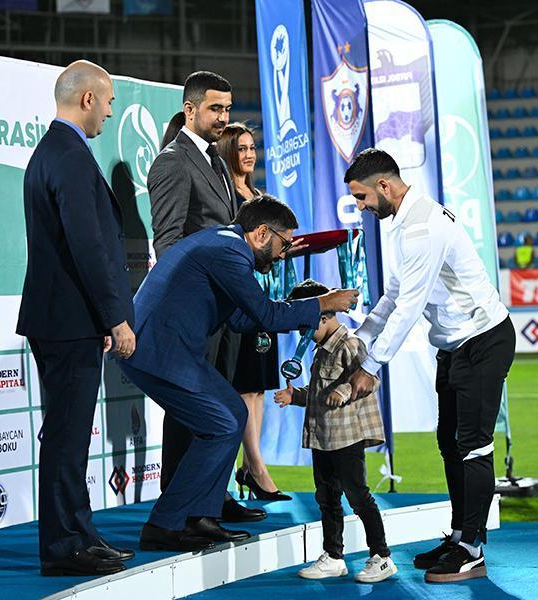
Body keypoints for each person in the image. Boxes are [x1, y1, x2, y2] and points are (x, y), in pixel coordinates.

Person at [119, 196, 359, 551]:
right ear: (262, 233)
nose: (283, 255)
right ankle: (165, 524)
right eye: (284, 244)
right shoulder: (230, 253)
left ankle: (200, 515)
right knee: (224, 422)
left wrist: (294, 313)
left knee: (231, 413)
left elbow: (242, 318)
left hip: (166, 347)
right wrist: (323, 303)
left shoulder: (224, 245)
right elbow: (266, 315)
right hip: (159, 350)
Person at [343, 149, 515, 583]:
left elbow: (409, 307)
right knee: (448, 441)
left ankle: (472, 550)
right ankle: (459, 535)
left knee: (473, 445)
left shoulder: (422, 226)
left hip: (483, 340)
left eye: (362, 197)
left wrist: (371, 366)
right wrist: (360, 339)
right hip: (454, 346)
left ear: (384, 186)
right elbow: (393, 295)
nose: (360, 207)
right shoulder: (404, 223)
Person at [16, 60, 136, 577]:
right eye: (107, 102)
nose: (109, 112)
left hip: (66, 318)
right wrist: (115, 318)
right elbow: (87, 247)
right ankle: (65, 546)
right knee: (67, 436)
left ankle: (79, 534)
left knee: (69, 434)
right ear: (87, 98)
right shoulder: (66, 154)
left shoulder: (59, 150)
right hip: (67, 321)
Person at [147, 71, 263, 523]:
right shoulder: (173, 162)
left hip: (224, 307)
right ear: (190, 109)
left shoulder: (216, 160)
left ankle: (213, 498)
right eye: (215, 108)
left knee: (221, 404)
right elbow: (168, 242)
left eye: (227, 109)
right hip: (197, 310)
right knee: (190, 409)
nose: (223, 117)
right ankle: (181, 508)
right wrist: (193, 300)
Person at [275, 279, 396, 584]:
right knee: (326, 497)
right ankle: (333, 556)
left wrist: (344, 390)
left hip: (346, 438)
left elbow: (370, 380)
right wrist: (295, 396)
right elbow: (319, 393)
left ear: (325, 315)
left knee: (358, 497)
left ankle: (381, 557)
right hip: (323, 438)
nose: (302, 333)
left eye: (305, 325)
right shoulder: (320, 350)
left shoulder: (350, 345)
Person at [216, 123, 289, 502]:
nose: (248, 154)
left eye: (251, 147)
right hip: (242, 299)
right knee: (244, 384)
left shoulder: (260, 197)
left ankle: (250, 463)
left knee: (258, 385)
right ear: (228, 152)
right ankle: (256, 468)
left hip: (267, 297)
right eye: (241, 148)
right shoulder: (225, 197)